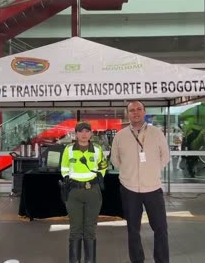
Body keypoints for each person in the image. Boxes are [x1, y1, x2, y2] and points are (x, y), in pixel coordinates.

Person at [111, 101, 170, 263]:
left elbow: (165, 157)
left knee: (161, 228)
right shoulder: (120, 135)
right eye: (131, 110)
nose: (135, 113)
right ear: (127, 114)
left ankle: (162, 260)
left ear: (144, 112)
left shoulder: (156, 133)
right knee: (133, 229)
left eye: (138, 109)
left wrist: (151, 171)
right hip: (129, 189)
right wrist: (129, 172)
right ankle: (137, 260)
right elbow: (115, 160)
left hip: (153, 188)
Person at [60, 121, 107, 263]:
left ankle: (90, 261)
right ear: (76, 134)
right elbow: (64, 168)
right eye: (81, 131)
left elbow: (103, 167)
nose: (84, 134)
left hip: (92, 192)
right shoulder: (68, 149)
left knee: (90, 229)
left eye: (87, 131)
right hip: (74, 193)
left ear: (91, 133)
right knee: (75, 228)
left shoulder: (97, 149)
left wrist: (95, 180)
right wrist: (68, 180)